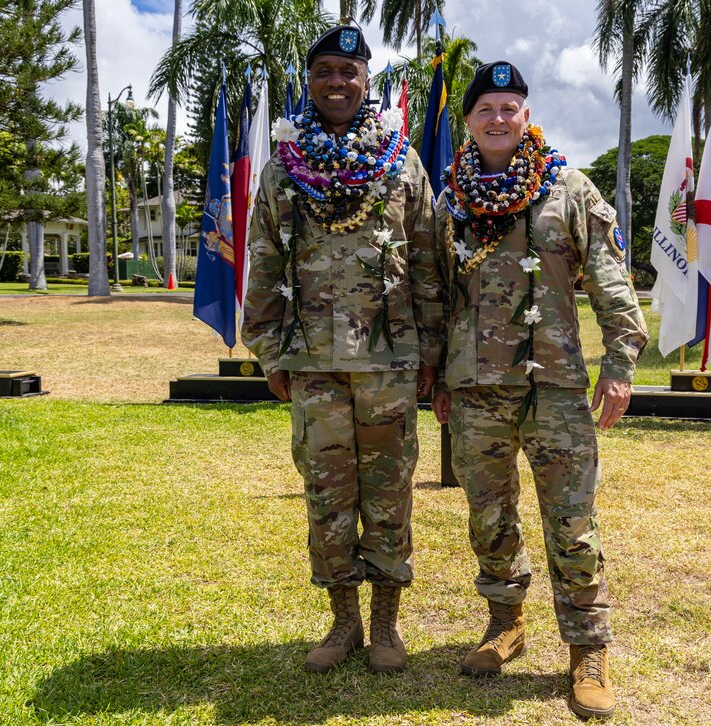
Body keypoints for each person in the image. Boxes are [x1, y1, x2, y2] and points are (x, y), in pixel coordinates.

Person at [431, 61, 648, 719]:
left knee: (572, 521)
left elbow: (611, 280)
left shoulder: (569, 190)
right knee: (489, 516)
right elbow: (436, 296)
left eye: (509, 107)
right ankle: (506, 623)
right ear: (467, 122)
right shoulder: (448, 201)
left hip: (552, 387)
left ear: (525, 116)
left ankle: (587, 650)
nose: (498, 119)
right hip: (474, 389)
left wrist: (620, 362)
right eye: (485, 109)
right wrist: (436, 376)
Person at [242, 24, 444, 675]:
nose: (337, 82)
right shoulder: (283, 168)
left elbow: (429, 263)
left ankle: (386, 621)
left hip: (389, 364)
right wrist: (270, 352)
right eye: (325, 70)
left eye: (348, 72)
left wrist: (432, 352)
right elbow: (264, 261)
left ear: (366, 81)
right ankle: (343, 621)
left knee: (389, 493)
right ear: (310, 79)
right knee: (327, 495)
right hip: (313, 363)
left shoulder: (400, 160)